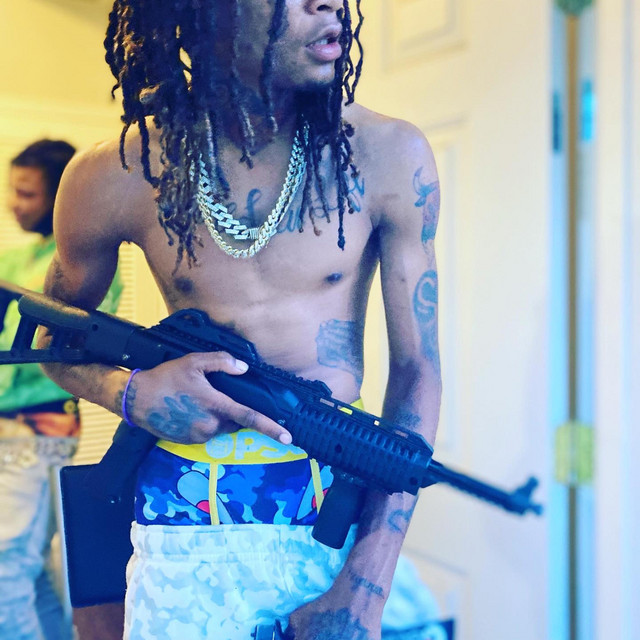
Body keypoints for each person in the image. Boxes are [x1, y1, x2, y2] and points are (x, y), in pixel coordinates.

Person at [38, 1, 442, 638]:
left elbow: (418, 372)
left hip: (330, 502)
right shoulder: (112, 175)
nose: (330, 4)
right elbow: (52, 338)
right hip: (179, 509)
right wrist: (129, 392)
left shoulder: (389, 155)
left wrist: (366, 587)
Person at [0, 139, 123, 640]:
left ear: (58, 197)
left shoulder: (80, 264)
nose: (14, 205)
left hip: (39, 428)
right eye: (13, 191)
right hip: (11, 431)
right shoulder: (17, 258)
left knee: (5, 573)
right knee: (29, 577)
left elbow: (78, 344)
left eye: (27, 194)